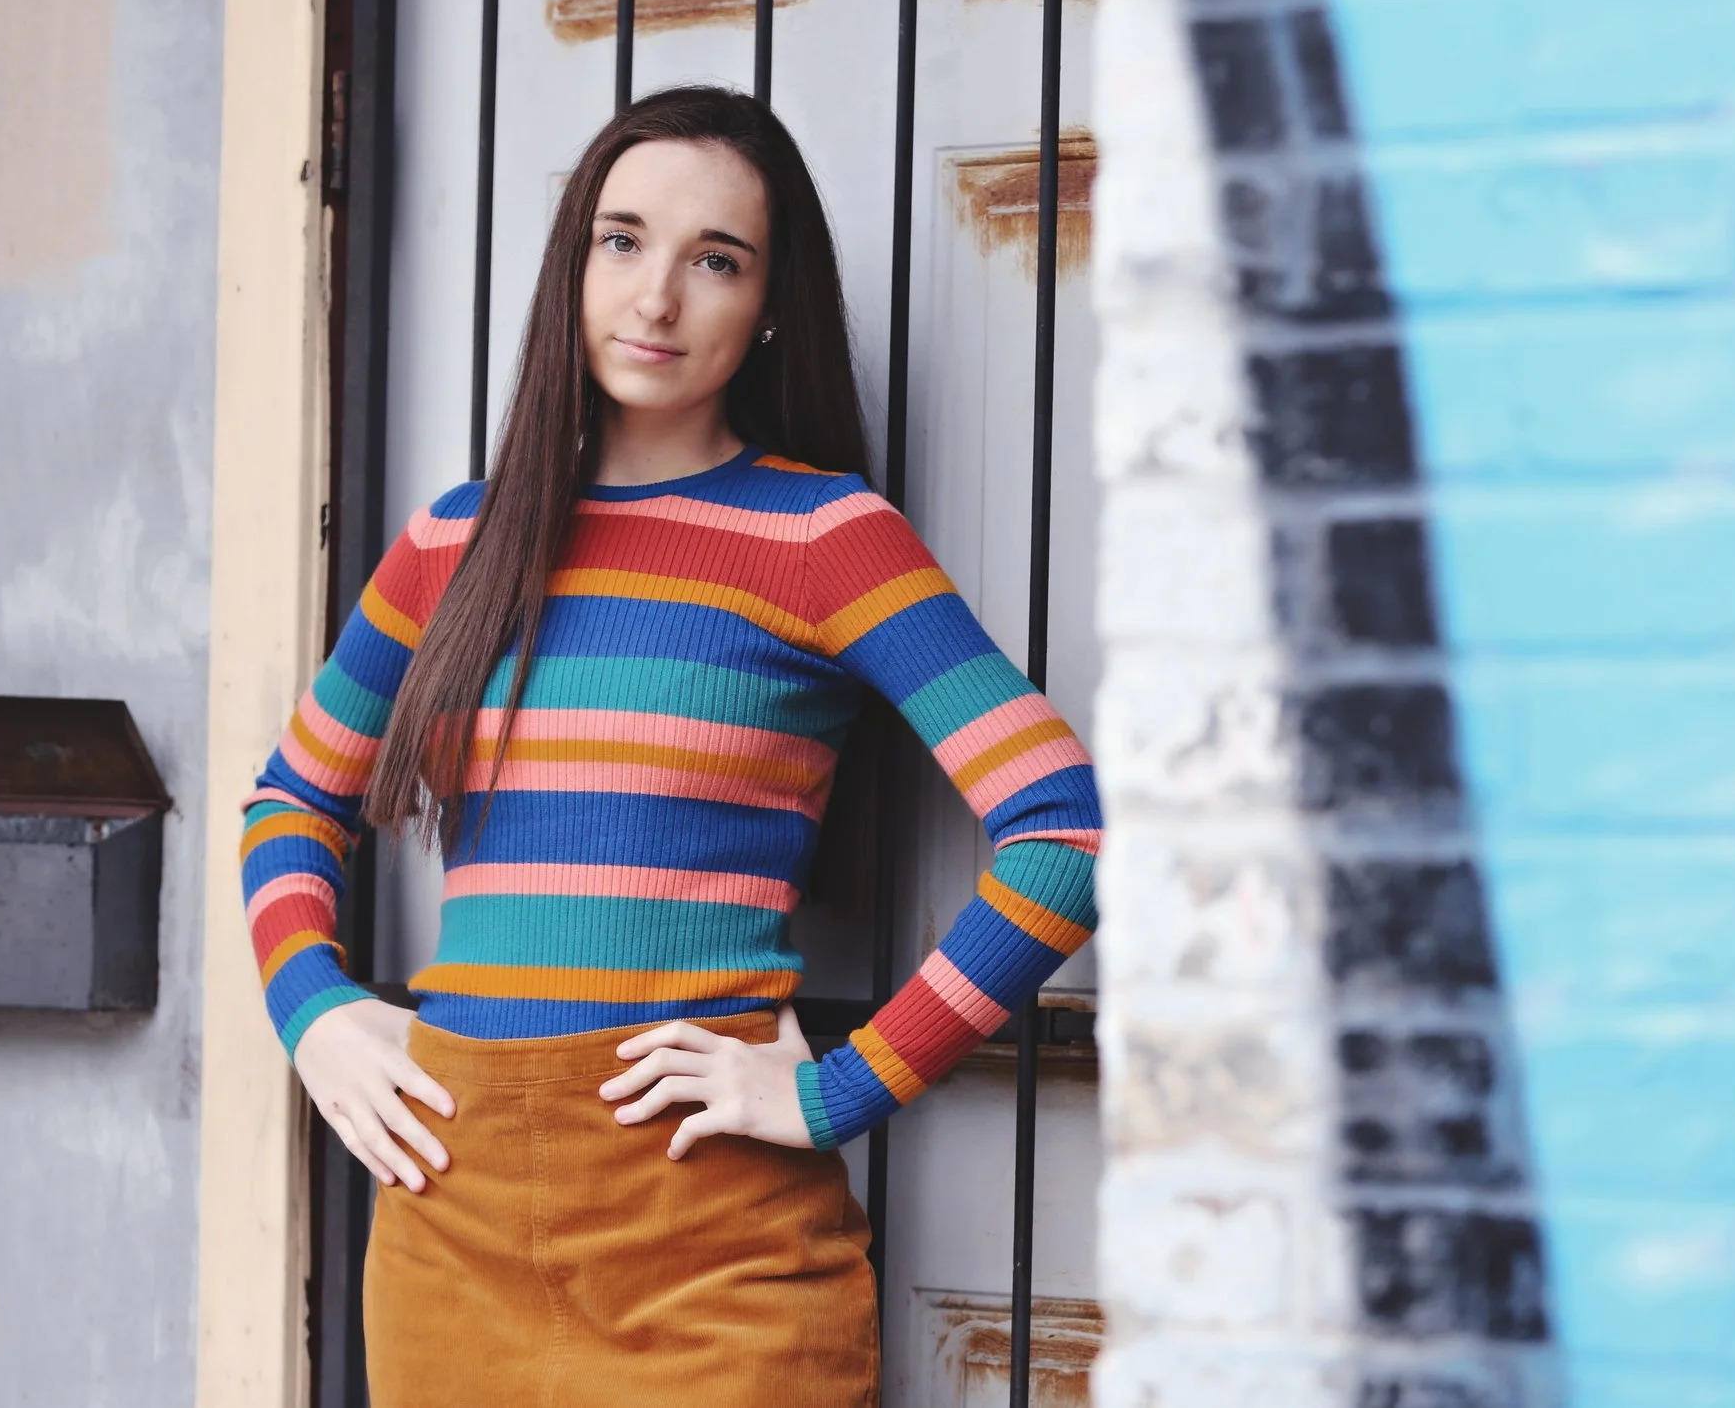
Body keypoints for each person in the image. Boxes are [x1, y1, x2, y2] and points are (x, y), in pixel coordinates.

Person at [239, 85, 1102, 1406]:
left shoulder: (826, 536)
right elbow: (293, 798)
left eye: (716, 261)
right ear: (572, 265)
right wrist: (315, 1008)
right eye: (621, 240)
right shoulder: (450, 543)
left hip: (709, 1240)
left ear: (766, 308)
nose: (654, 299)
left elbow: (1064, 828)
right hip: (448, 1220)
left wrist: (839, 1089)